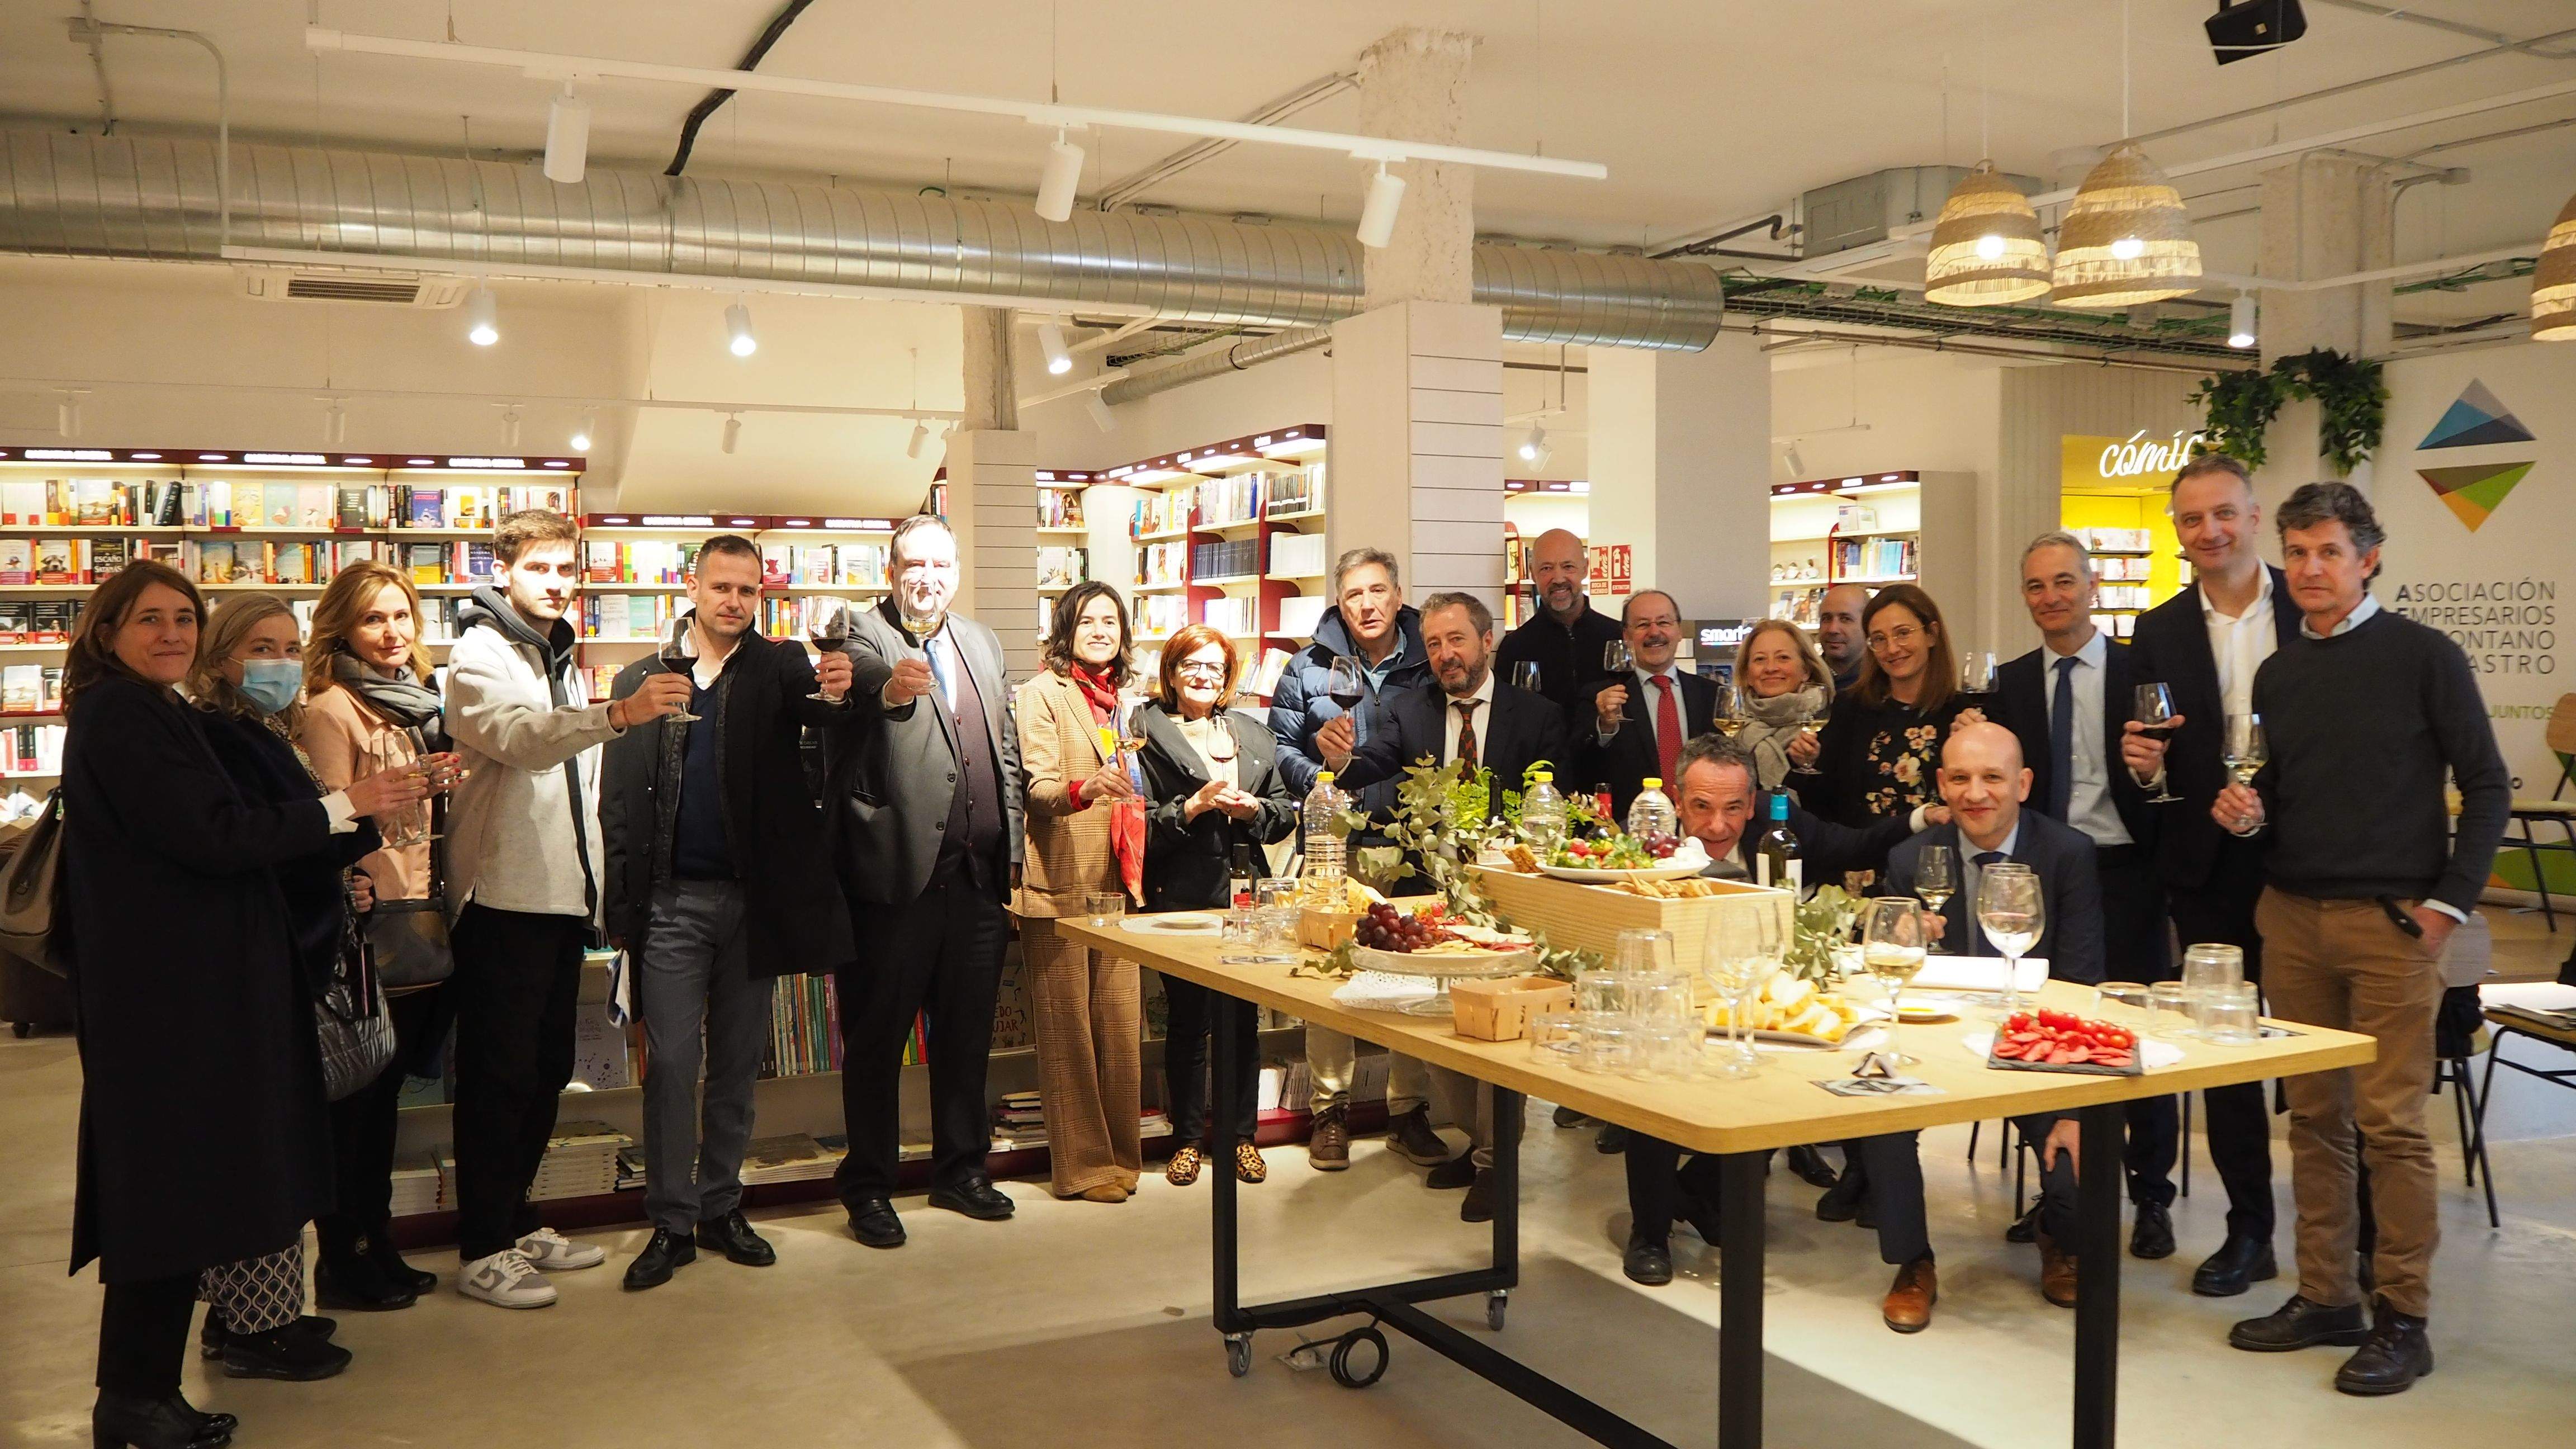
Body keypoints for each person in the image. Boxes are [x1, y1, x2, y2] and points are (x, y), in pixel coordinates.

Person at [60, 562, 423, 1449]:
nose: (172, 634)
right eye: (150, 620)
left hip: (188, 993)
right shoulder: (120, 715)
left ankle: (145, 1392)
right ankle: (134, 1398)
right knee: (164, 1194)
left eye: (183, 618)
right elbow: (213, 835)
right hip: (169, 1006)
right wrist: (341, 806)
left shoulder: (157, 712)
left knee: (181, 1194)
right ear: (108, 633)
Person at [2213, 481, 2507, 1396]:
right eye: (2295, 552)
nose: (2307, 569)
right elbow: (2284, 799)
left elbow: (2488, 785)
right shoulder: (2277, 673)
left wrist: (2447, 906)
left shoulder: (2423, 656)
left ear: (2367, 557)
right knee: (2311, 1120)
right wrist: (2245, 815)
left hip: (2389, 927)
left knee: (2389, 1127)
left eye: (2327, 552)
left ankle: (2402, 1317)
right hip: (2290, 920)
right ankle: (2325, 1296)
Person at [598, 536, 859, 1291]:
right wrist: (621, 910)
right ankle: (671, 1220)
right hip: (671, 904)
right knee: (673, 1065)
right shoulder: (644, 679)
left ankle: (722, 1207)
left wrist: (842, 690)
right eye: (722, 587)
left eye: (748, 590)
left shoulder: (777, 667)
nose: (734, 602)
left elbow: (822, 710)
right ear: (692, 586)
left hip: (753, 904)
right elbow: (620, 801)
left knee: (739, 1065)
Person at [445, 509, 692, 1309]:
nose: (557, 583)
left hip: (558, 899)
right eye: (541, 569)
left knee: (547, 1070)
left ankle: (514, 1224)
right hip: (504, 900)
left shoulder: (552, 654)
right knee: (499, 1077)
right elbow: (520, 740)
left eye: (566, 570)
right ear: (505, 570)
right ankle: (481, 1245)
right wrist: (616, 715)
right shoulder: (479, 652)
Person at [188, 594, 416, 1380]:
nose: (279, 663)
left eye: (289, 646)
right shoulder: (221, 737)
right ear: (221, 657)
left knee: (286, 1148)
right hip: (265, 970)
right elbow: (265, 843)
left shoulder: (263, 733)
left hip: (295, 951)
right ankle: (253, 1326)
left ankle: (263, 1315)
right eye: (261, 647)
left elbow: (303, 841)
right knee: (265, 1154)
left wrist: (341, 875)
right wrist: (352, 820)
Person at [1619, 735, 1930, 1286]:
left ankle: (1696, 1194)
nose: (1718, 826)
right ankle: (1649, 1231)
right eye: (1702, 808)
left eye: (1734, 808)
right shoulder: (1646, 844)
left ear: (1754, 799)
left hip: (1755, 997)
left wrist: (1923, 818)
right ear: (1677, 798)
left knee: (1782, 1075)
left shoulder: (1783, 831)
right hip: (1674, 999)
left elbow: (1858, 844)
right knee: (1651, 1085)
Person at [1854, 722, 2104, 1333]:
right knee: (1877, 1109)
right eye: (1960, 779)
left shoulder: (2068, 854)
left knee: (2079, 1180)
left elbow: (2081, 982)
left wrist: (2075, 1109)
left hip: (2036, 1050)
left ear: (2022, 783)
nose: (1976, 793)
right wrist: (1909, 948)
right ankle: (1913, 1262)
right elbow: (1888, 981)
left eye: (1993, 778)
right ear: (1941, 784)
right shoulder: (1912, 859)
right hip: (1937, 1045)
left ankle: (2055, 1231)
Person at [1329, 591, 1571, 1221]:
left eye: (1457, 640)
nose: (1445, 655)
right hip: (1435, 898)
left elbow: (1554, 805)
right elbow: (1375, 761)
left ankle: (1497, 1163)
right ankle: (1482, 1145)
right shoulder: (1408, 710)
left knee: (1496, 1033)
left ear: (1487, 641)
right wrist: (1344, 760)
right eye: (1434, 644)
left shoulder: (1538, 715)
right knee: (1442, 1027)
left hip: (1510, 900)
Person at [2119, 453, 2299, 1297]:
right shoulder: (2155, 632)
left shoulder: (2310, 608)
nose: (2209, 531)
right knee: (2227, 1061)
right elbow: (2152, 774)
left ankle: (2363, 1239)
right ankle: (2250, 1231)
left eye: (2224, 513)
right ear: (2178, 533)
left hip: (2308, 864)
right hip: (2205, 870)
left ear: (2255, 517)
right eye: (2192, 520)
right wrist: (2148, 772)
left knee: (2323, 1058)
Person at [822, 514, 1024, 1250]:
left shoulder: (982, 641)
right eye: (914, 564)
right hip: (894, 881)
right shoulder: (864, 636)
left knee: (966, 1037)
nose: (928, 578)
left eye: (941, 565)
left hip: (976, 881)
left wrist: (1015, 856)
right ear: (892, 568)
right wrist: (893, 691)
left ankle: (961, 1170)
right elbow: (864, 689)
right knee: (876, 1043)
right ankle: (868, 1187)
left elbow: (1004, 746)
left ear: (958, 569)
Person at [1990, 532, 2176, 1261]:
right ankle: (2057, 1187)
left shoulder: (2141, 672)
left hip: (2124, 874)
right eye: (2036, 586)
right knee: (2044, 1033)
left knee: (2132, 1037)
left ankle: (2151, 1196)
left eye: (2065, 581)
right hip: (2041, 881)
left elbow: (2172, 787)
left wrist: (2156, 774)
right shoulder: (2005, 684)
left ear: (2093, 587)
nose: (2052, 597)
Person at [295, 561, 454, 1313]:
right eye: (373, 620)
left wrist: (436, 781)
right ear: (342, 629)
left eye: (402, 617)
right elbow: (332, 818)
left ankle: (378, 1241)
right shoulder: (332, 706)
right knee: (357, 1105)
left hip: (417, 916)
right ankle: (345, 1256)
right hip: (369, 931)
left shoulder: (414, 707)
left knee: (386, 1099)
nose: (392, 633)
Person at [1267, 547, 1447, 1173]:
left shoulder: (1432, 660)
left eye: (1377, 592)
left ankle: (1408, 1111)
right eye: (1353, 596)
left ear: (1398, 596)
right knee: (1330, 977)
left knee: (1414, 977)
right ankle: (1330, 1109)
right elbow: (1278, 753)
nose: (1367, 605)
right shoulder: (1305, 668)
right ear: (1339, 603)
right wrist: (1321, 769)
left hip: (1414, 843)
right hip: (1332, 845)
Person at [1132, 626, 1298, 1187]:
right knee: (1188, 1023)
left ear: (1229, 679)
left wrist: (1253, 810)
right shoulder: (1144, 732)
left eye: (1214, 668)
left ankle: (1241, 1137)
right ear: (1171, 672)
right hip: (1180, 897)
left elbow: (1284, 812)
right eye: (1191, 666)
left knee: (1242, 1025)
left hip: (1246, 896)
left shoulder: (1253, 733)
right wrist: (1193, 807)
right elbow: (1139, 824)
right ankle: (1185, 1142)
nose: (1202, 676)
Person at [1013, 581, 1148, 1203]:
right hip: (1060, 881)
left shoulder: (1127, 703)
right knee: (1069, 1035)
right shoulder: (1042, 694)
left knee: (1121, 1031)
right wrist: (1083, 789)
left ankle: (1124, 1157)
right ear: (1065, 630)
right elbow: (1038, 789)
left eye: (1111, 621)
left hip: (1119, 884)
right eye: (1088, 620)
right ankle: (1082, 1167)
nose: (1100, 630)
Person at [1803, 583, 1969, 836]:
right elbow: (1823, 804)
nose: (1892, 648)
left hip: (1933, 863)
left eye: (1903, 633)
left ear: (1931, 634)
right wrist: (1806, 763)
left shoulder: (1962, 717)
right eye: (1879, 639)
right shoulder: (1850, 708)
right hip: (1859, 864)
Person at [1569, 589, 1715, 823]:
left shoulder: (1710, 694)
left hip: (1701, 828)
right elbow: (1579, 766)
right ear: (1626, 636)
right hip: (1630, 836)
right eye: (1643, 625)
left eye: (1664, 622)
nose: (1654, 632)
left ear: (1679, 631)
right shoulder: (1599, 697)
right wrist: (1605, 726)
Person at [1493, 527, 1622, 713]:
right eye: (1547, 568)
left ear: (1585, 569)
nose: (1558, 578)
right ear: (1533, 573)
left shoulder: (1618, 637)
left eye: (1568, 566)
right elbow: (1506, 719)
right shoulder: (1515, 647)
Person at [1732, 617, 1835, 792]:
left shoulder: (1831, 723)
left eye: (1783, 658)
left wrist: (1809, 766)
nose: (1771, 668)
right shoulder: (1732, 727)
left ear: (1805, 670)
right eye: (1760, 660)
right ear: (1747, 674)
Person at [1815, 581, 1871, 694]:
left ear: (1868, 625)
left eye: (1845, 619)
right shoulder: (1803, 679)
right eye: (1827, 619)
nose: (1833, 629)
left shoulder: (1887, 682)